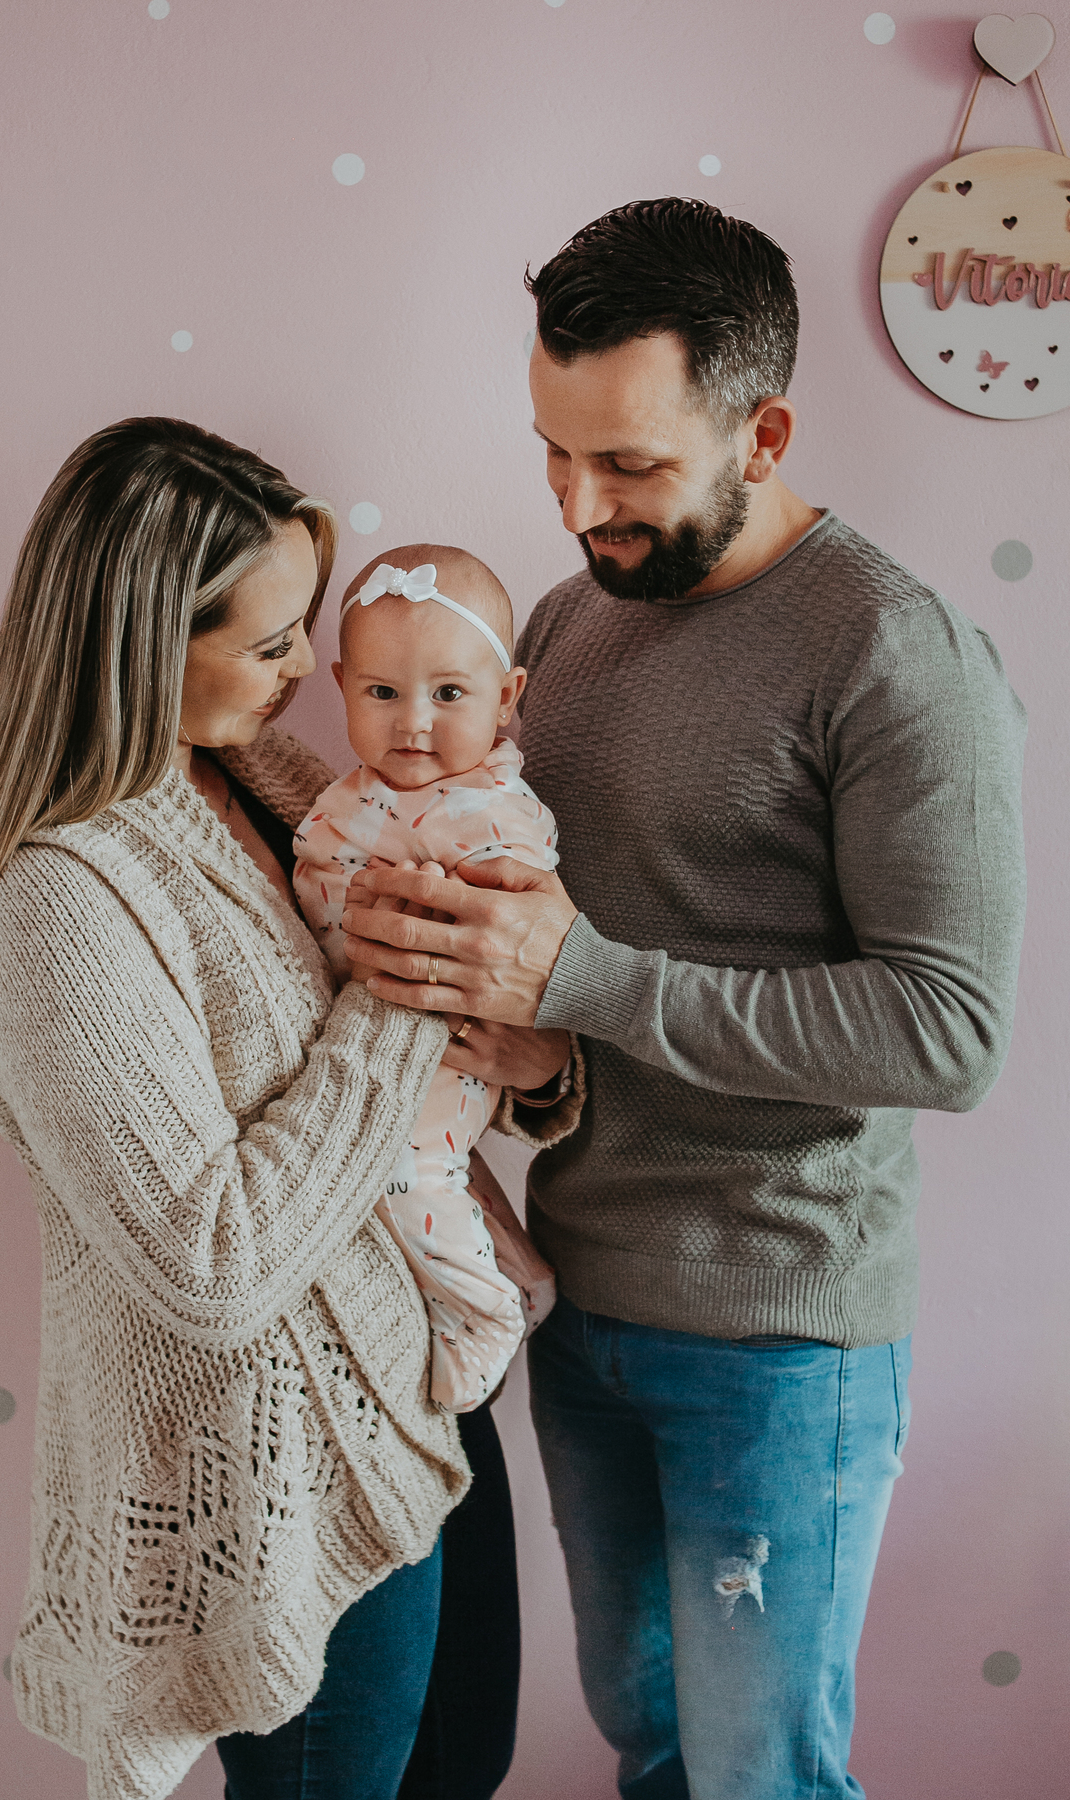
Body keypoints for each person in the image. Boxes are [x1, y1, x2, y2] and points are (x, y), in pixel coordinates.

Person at [337, 199, 1028, 1799]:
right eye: (554, 453)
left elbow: (948, 1030)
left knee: (759, 1778)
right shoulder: (567, 628)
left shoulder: (893, 652)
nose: (581, 507)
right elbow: (568, 982)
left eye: (630, 465)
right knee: (651, 1749)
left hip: (781, 1333)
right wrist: (523, 1048)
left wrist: (579, 978)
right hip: (585, 1302)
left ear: (763, 427)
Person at [0, 417, 581, 1800]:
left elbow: (438, 1070)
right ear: (148, 641)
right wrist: (402, 993)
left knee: (464, 1762)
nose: (309, 677)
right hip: (279, 1468)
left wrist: (534, 1066)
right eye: (277, 641)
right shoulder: (66, 901)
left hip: (422, 1390)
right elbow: (208, 1264)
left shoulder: (279, 786)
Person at [293, 545, 567, 1413]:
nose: (414, 721)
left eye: (449, 694)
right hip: (372, 1033)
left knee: (407, 1169)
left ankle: (484, 1309)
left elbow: (513, 937)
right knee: (402, 1175)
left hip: (445, 1040)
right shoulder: (351, 790)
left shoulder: (491, 810)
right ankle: (483, 1271)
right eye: (382, 693)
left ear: (506, 698)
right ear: (341, 686)